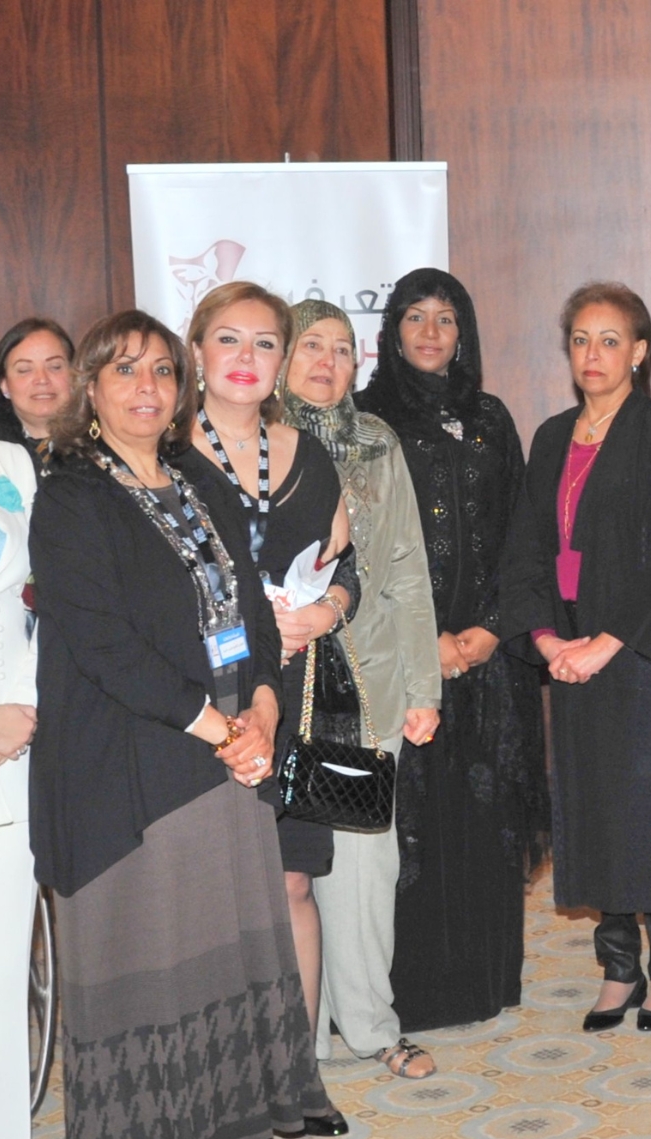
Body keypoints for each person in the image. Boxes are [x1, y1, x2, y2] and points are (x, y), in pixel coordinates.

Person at [31, 311, 331, 1139]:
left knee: (211, 961)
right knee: (141, 967)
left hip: (222, 752)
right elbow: (105, 644)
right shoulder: (75, 495)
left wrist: (268, 710)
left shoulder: (198, 479)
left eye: (162, 370)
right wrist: (219, 727)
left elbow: (252, 601)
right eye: (125, 371)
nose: (148, 387)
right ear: (93, 387)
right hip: (128, 765)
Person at [500, 283, 651, 1032]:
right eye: (582, 340)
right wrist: (550, 641)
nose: (594, 354)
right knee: (595, 809)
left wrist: (607, 644)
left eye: (610, 339)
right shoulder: (553, 436)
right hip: (571, 651)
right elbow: (526, 547)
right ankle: (616, 965)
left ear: (640, 351)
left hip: (648, 654)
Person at [183, 284, 358, 1116]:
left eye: (264, 344)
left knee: (292, 884)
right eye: (229, 340)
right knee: (213, 894)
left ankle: (300, 1071)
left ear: (283, 361)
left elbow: (347, 567)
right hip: (198, 701)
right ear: (196, 354)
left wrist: (328, 610)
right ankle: (223, 1078)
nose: (247, 359)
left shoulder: (310, 455)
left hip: (296, 688)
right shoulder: (165, 455)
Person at [358, 269, 547, 1032]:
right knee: (415, 823)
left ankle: (486, 979)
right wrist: (426, 638)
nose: (431, 332)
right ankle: (417, 992)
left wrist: (492, 628)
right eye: (415, 317)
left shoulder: (492, 417)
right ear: (393, 330)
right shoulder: (368, 420)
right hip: (408, 656)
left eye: (446, 319)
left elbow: (521, 533)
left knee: (484, 812)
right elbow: (365, 546)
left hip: (488, 656)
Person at [281, 299, 444, 1081]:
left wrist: (424, 686)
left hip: (367, 682)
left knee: (362, 866)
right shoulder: (247, 442)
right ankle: (298, 1042)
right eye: (310, 344)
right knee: (286, 871)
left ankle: (375, 1027)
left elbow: (409, 568)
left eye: (342, 348)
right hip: (272, 689)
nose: (326, 361)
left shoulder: (375, 442)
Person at [0, 432, 48, 1139]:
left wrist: (23, 702)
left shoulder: (11, 460)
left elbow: (44, 593)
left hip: (14, 740)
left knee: (4, 956)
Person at [0, 319, 74, 461]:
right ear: (4, 384)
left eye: (55, 367)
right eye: (24, 370)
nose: (42, 379)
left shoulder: (103, 442)